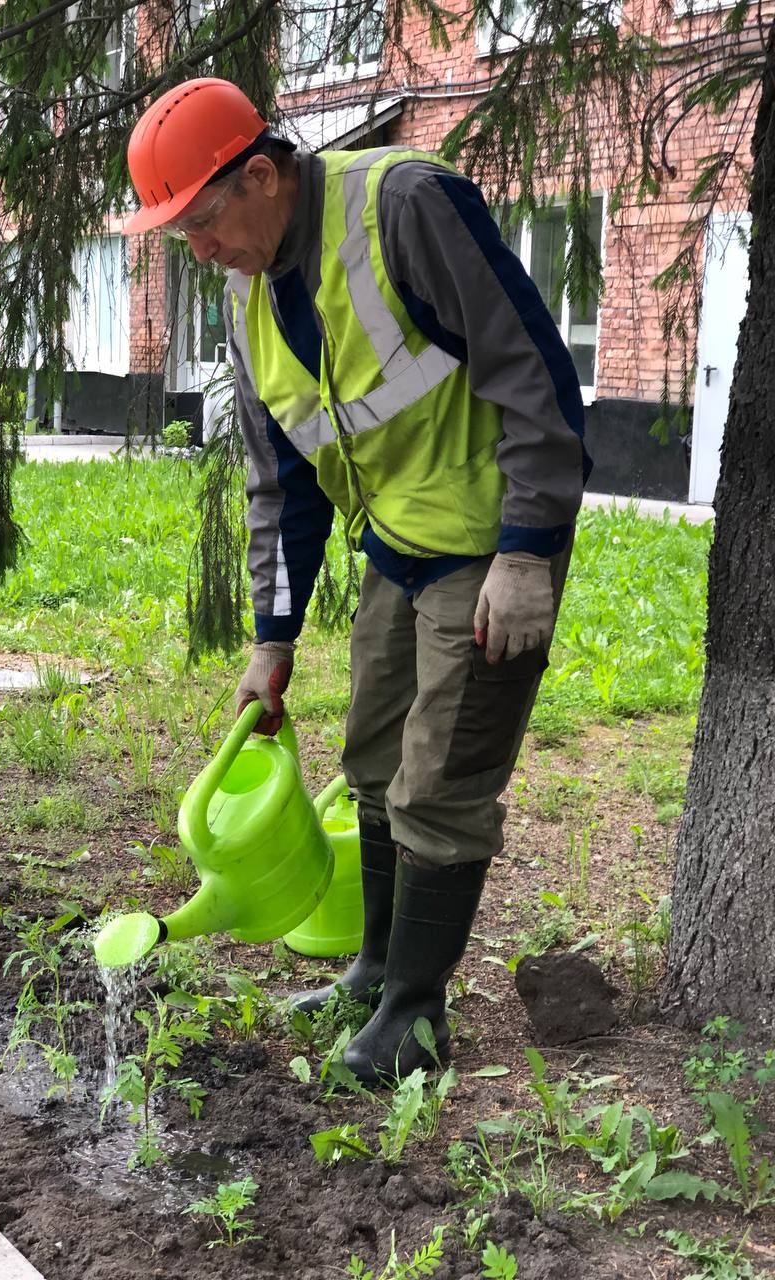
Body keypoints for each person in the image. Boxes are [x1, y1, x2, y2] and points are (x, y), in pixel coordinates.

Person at [125, 77, 589, 1083]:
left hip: (488, 547)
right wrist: (273, 636)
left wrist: (527, 546)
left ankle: (415, 1025)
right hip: (397, 549)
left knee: (439, 784)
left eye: (204, 224)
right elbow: (280, 478)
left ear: (261, 176)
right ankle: (376, 973)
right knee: (371, 762)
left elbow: (532, 366)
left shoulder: (404, 205)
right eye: (181, 238)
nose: (201, 253)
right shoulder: (249, 292)